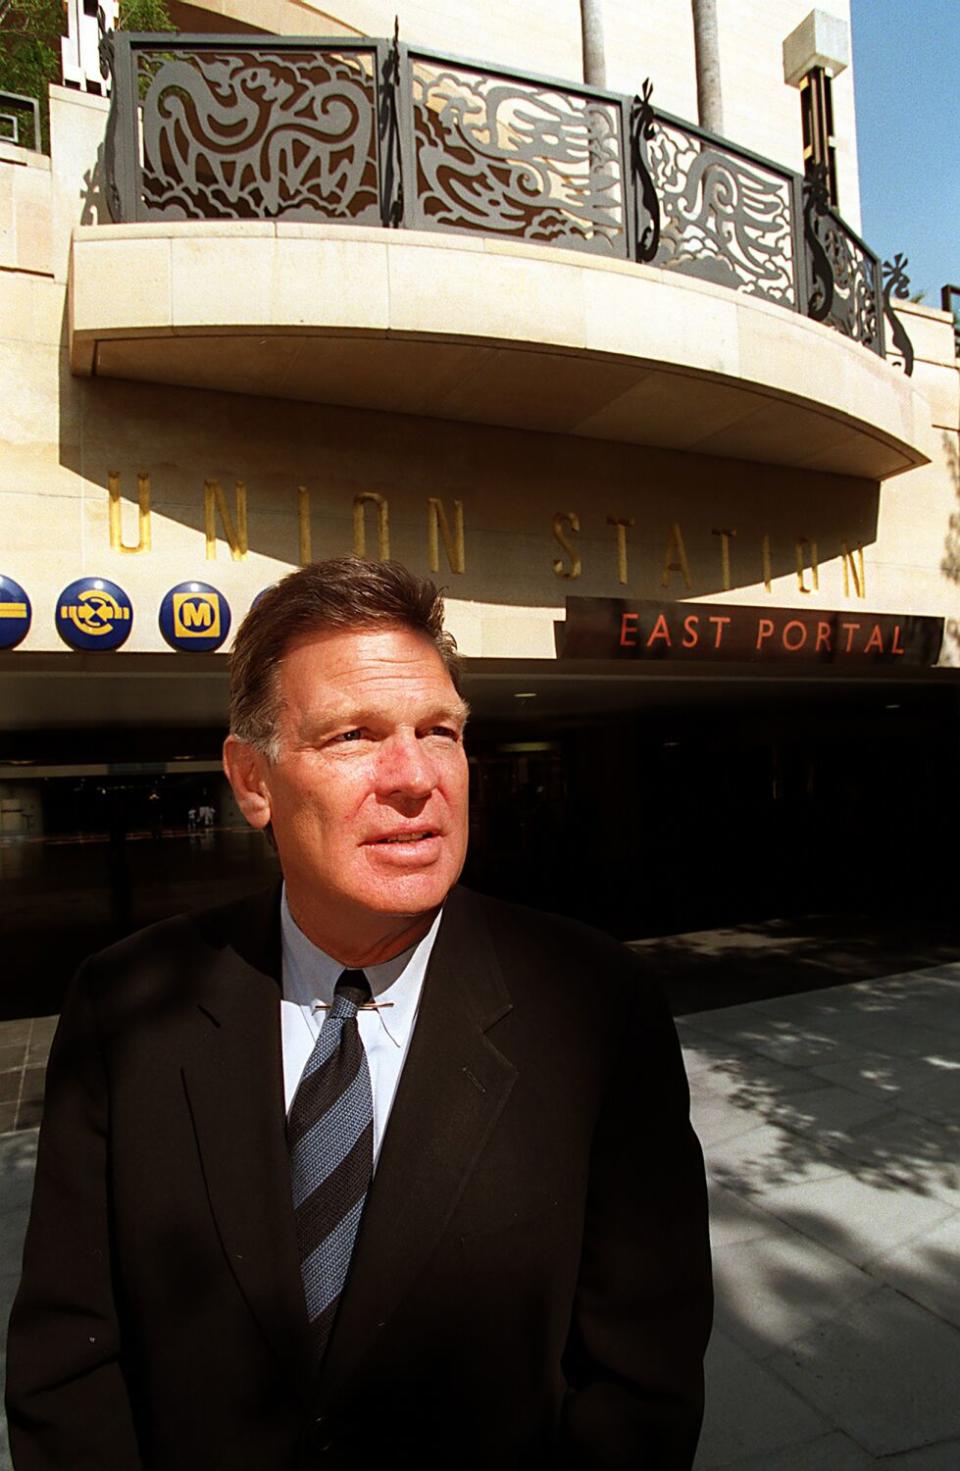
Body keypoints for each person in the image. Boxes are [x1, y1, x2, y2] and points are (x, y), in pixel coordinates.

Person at [6, 557, 712, 1470]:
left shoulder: (597, 1007)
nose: (414, 776)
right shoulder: (127, 1006)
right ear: (252, 780)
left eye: (440, 730)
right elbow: (68, 1365)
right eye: (353, 734)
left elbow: (641, 1380)